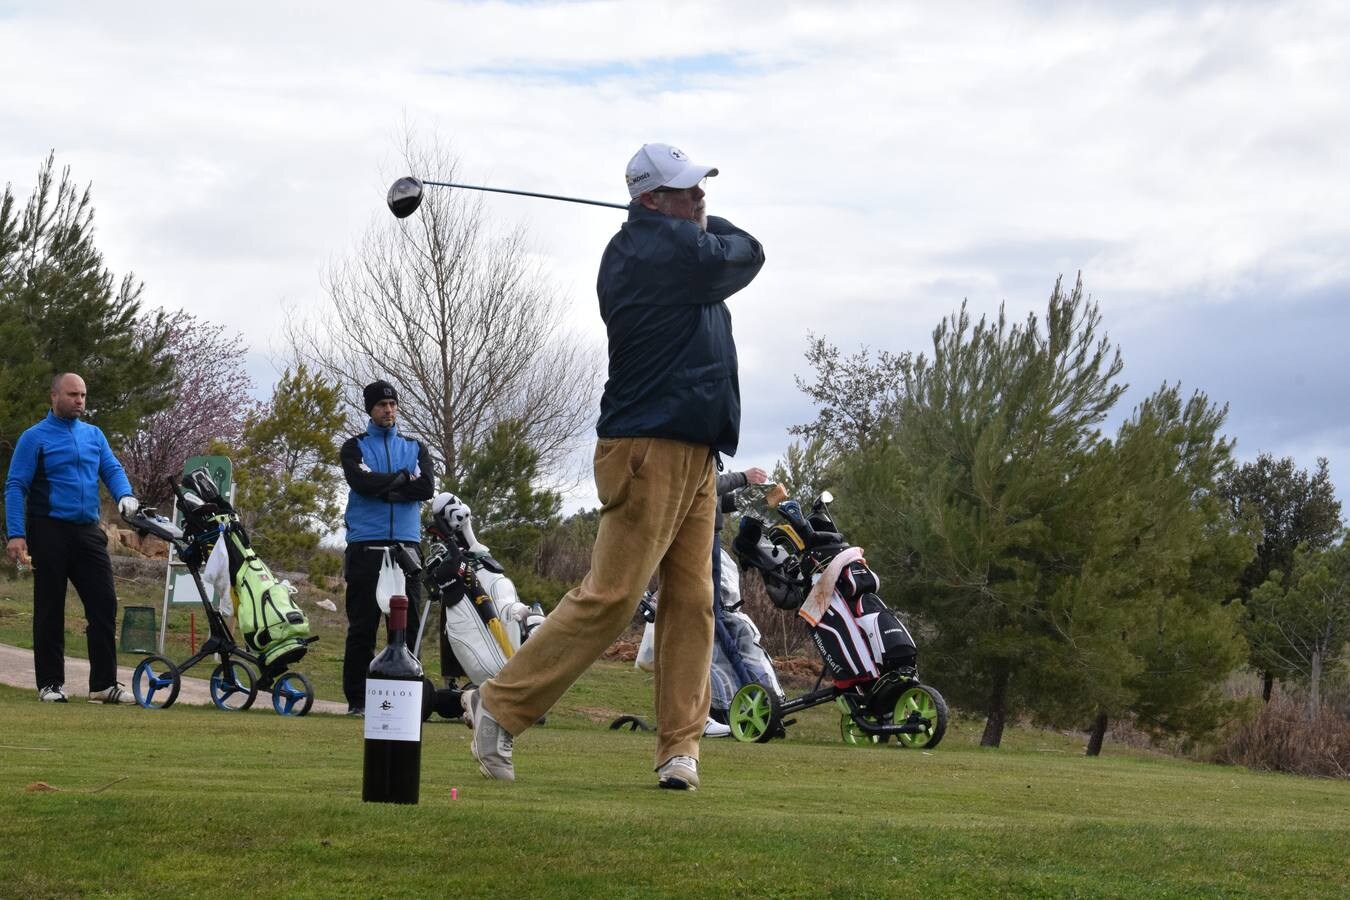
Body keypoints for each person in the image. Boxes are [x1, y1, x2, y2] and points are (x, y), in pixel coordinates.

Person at [461, 142, 765, 790]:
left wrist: (696, 220)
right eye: (686, 190)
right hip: (645, 449)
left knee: (692, 602)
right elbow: (750, 251)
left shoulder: (673, 244)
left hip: (696, 450)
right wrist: (701, 228)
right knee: (611, 597)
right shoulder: (655, 252)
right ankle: (499, 704)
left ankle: (679, 748)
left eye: (699, 186)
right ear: (651, 200)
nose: (700, 196)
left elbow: (730, 247)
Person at [4, 373, 140, 703]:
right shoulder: (34, 438)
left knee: (104, 603)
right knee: (50, 607)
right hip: (48, 529)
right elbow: (15, 486)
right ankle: (50, 683)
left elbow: (111, 468)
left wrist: (125, 495)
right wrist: (16, 535)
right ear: (54, 397)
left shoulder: (93, 435)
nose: (80, 400)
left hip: (87, 531)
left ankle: (103, 685)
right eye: (73, 394)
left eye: (83, 395)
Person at [339, 379, 435, 716]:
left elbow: (425, 487)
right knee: (363, 627)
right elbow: (361, 482)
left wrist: (388, 486)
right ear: (371, 409)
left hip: (406, 547)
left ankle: (404, 700)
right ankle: (358, 700)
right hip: (366, 546)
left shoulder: (415, 447)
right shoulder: (354, 447)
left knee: (406, 628)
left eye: (392, 404)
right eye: (381, 405)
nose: (388, 410)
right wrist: (399, 480)